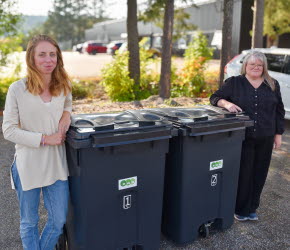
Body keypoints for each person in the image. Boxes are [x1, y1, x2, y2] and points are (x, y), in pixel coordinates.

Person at [2, 34, 72, 250]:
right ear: (31, 58)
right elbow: (8, 130)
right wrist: (44, 139)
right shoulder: (17, 89)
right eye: (42, 54)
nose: (48, 59)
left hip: (56, 163)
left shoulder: (64, 85)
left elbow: (67, 103)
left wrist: (67, 114)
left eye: (52, 54)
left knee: (58, 220)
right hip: (28, 164)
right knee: (29, 222)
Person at [210, 51, 285, 221]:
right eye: (252, 64)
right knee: (243, 173)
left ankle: (252, 208)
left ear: (264, 67)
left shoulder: (272, 84)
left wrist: (278, 134)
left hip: (265, 137)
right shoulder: (235, 83)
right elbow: (214, 97)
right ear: (245, 66)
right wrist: (227, 103)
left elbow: (279, 111)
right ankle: (240, 209)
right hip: (241, 137)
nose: (256, 68)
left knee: (260, 173)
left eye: (259, 65)